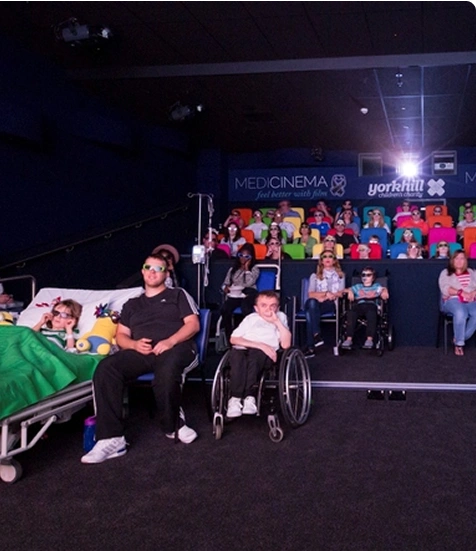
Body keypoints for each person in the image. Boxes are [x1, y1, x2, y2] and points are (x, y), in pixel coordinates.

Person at [81, 254, 200, 464]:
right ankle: (112, 438)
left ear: (166, 273)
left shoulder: (178, 295)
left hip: (176, 347)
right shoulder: (131, 304)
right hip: (141, 351)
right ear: (143, 271)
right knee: (107, 367)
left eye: (158, 268)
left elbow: (193, 324)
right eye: (148, 267)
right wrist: (134, 345)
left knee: (167, 369)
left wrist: (170, 341)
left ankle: (173, 424)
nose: (152, 272)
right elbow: (121, 336)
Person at [226, 290, 292, 418]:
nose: (268, 309)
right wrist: (260, 345)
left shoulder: (280, 317)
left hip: (263, 354)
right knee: (237, 356)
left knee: (255, 357)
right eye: (264, 305)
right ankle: (235, 399)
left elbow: (286, 345)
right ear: (256, 308)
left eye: (272, 306)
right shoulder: (251, 318)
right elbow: (233, 339)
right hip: (246, 347)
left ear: (277, 308)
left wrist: (277, 322)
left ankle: (249, 397)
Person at [304, 252, 345, 357]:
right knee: (312, 303)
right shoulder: (314, 276)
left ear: (334, 260)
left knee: (309, 314)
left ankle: (311, 346)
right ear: (321, 261)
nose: (327, 259)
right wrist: (325, 294)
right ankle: (316, 335)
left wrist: (326, 297)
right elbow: (311, 294)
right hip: (316, 302)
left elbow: (341, 293)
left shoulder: (340, 275)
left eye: (330, 257)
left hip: (330, 303)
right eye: (324, 257)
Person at [439, 250, 476, 356]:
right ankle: (459, 344)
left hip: (470, 299)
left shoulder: (472, 272)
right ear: (452, 260)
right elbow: (445, 288)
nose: (459, 261)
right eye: (457, 258)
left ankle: (459, 338)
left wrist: (473, 293)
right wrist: (460, 292)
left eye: (462, 258)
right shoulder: (446, 272)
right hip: (452, 299)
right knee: (461, 312)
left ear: (465, 261)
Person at [341, 267, 389, 350]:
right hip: (359, 305)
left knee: (371, 313)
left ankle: (369, 339)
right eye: (363, 275)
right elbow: (343, 290)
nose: (365, 277)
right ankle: (349, 339)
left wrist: (385, 291)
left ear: (373, 278)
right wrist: (350, 291)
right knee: (351, 313)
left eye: (368, 275)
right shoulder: (357, 286)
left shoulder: (376, 286)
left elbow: (383, 291)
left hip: (371, 305)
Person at [221, 243, 260, 341]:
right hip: (235, 293)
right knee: (225, 309)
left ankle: (248, 335)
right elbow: (226, 283)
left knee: (245, 308)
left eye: (247, 256)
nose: (243, 258)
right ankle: (230, 337)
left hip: (249, 293)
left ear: (251, 258)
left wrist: (246, 269)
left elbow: (249, 283)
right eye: (241, 255)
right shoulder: (233, 270)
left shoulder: (254, 269)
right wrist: (226, 287)